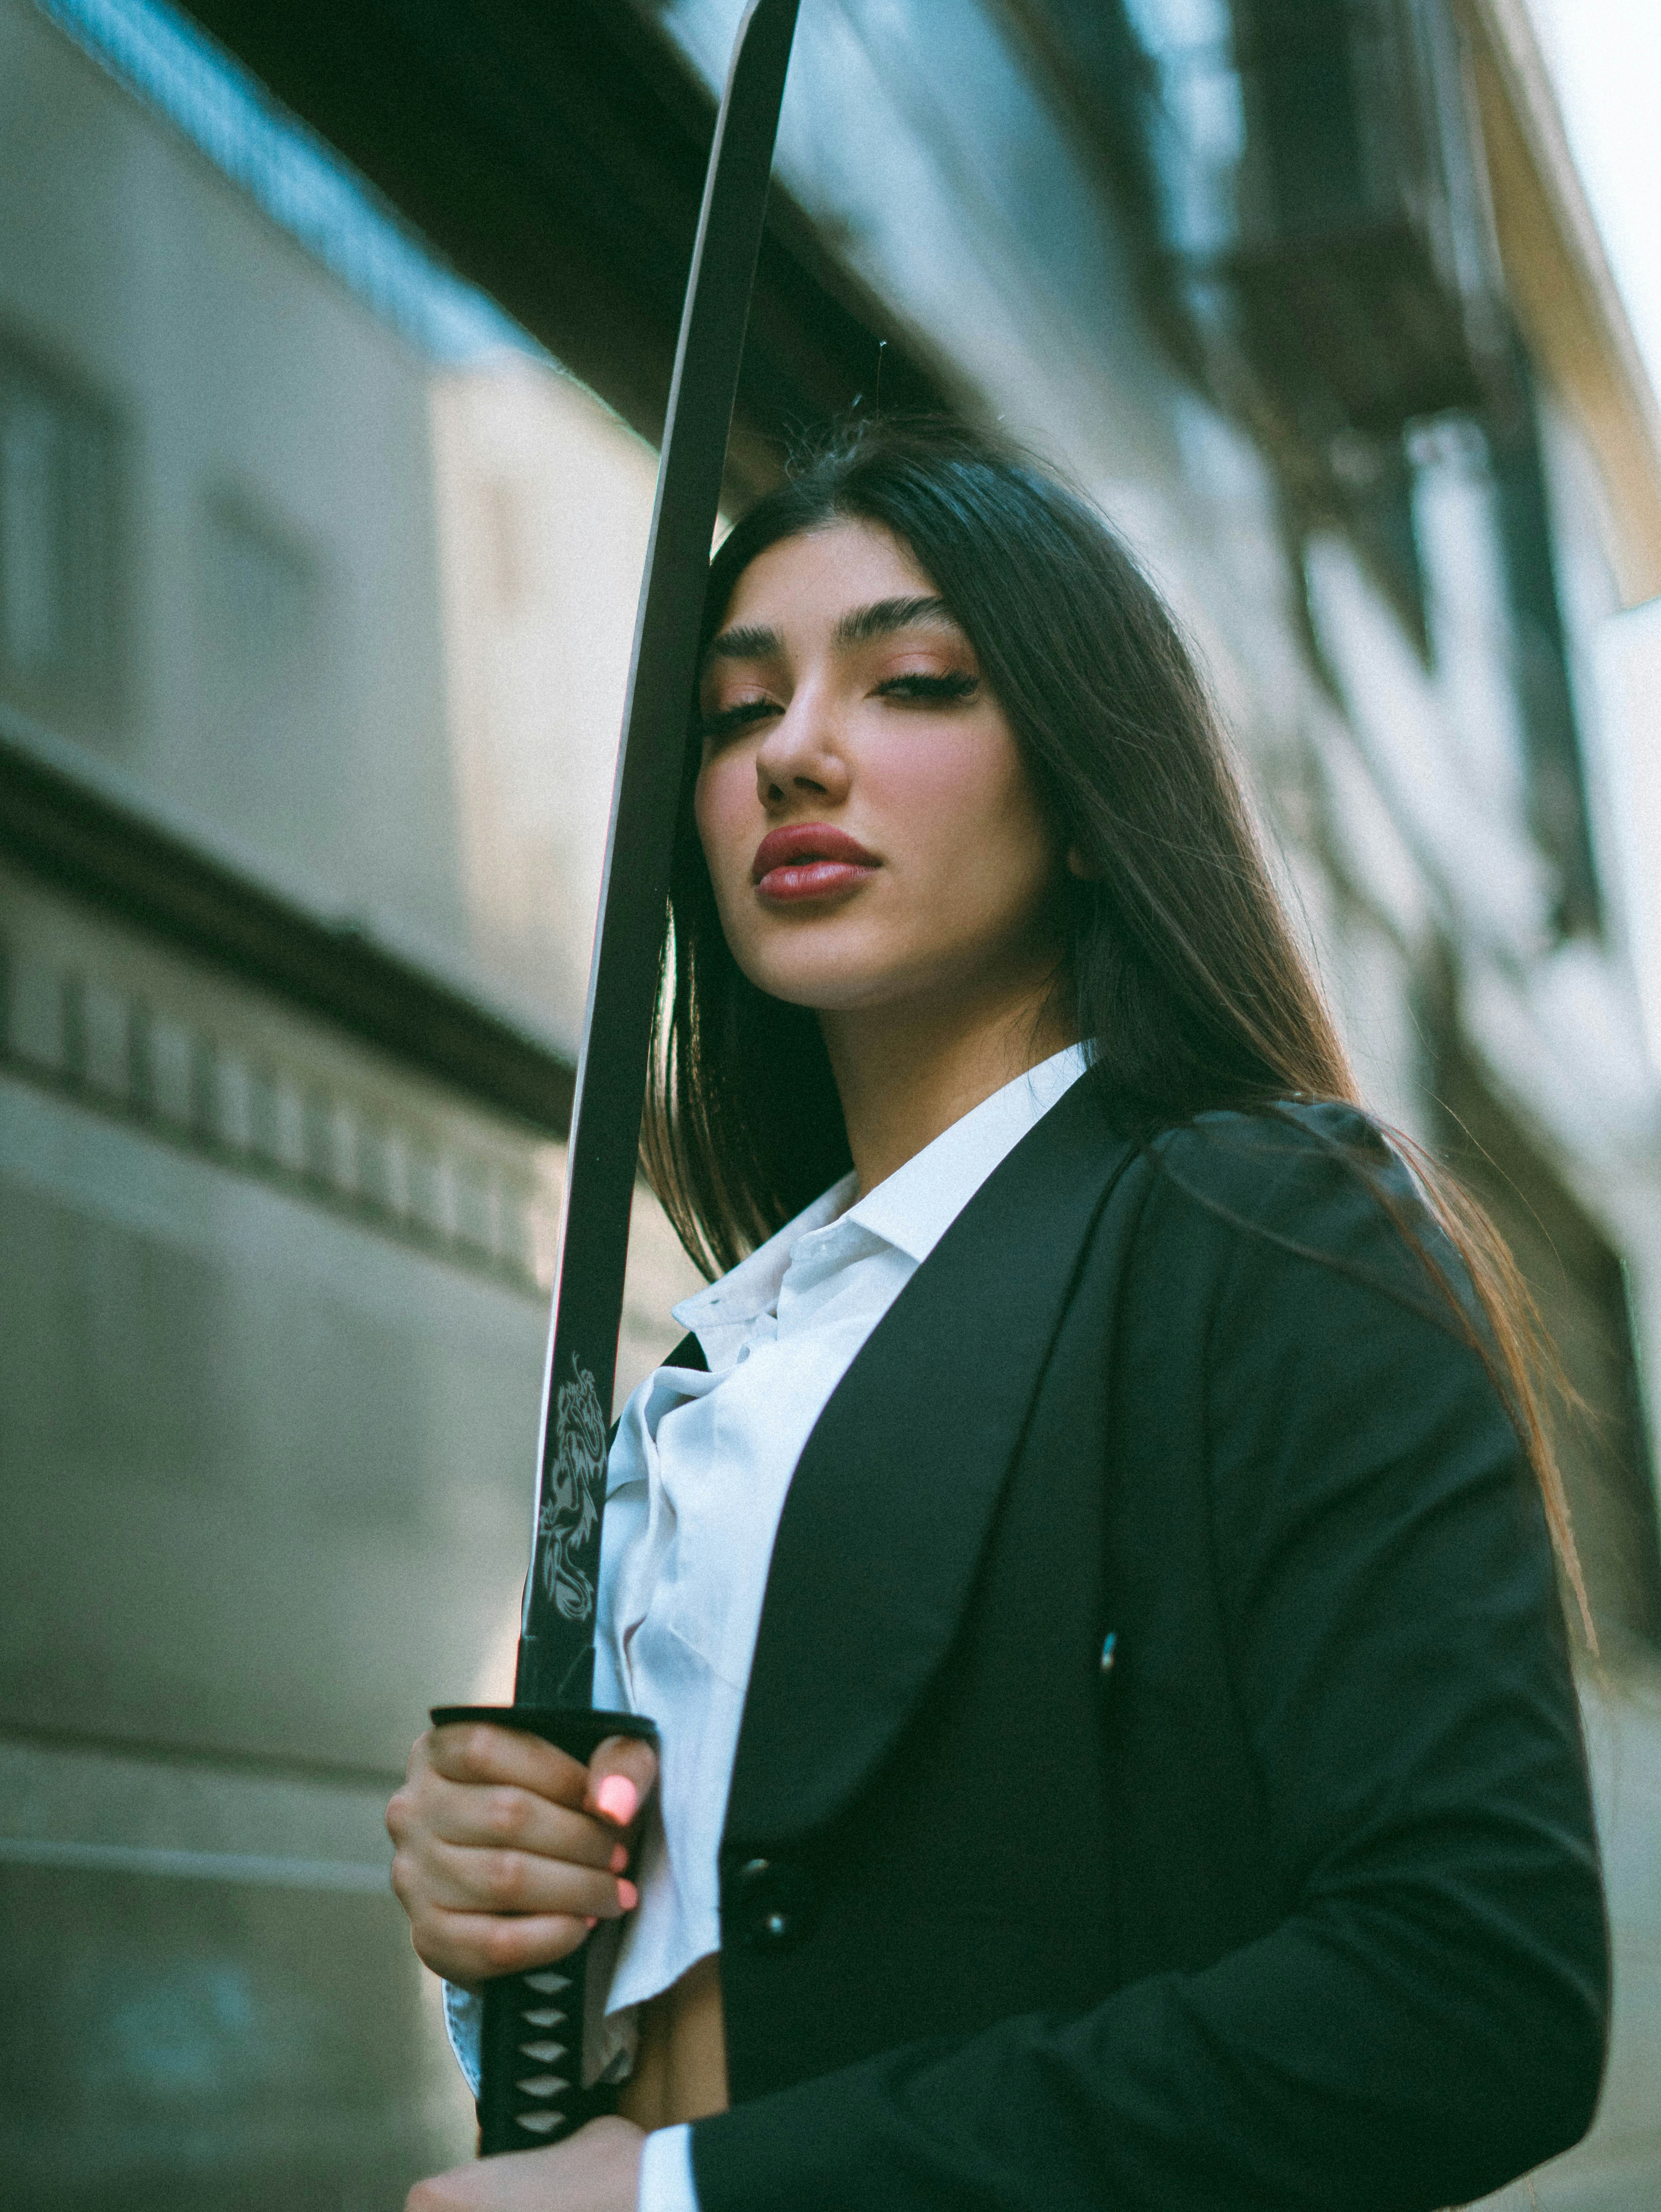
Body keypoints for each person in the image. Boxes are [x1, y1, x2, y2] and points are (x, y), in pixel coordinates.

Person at [388, 418, 1609, 2212]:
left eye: (914, 683)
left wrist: (689, 2200)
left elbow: (1468, 2000)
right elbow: (744, 1997)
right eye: (736, 713)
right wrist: (513, 1922)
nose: (793, 754)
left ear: (1092, 789)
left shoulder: (1260, 1225)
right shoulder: (726, 1364)